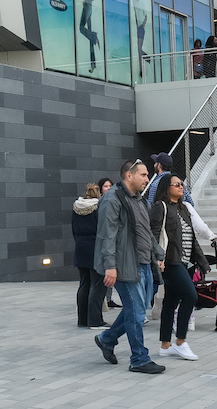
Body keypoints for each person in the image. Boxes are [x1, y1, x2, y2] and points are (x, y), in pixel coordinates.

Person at [93, 159, 165, 374]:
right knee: (135, 312)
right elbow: (107, 234)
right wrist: (110, 266)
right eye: (143, 175)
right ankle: (139, 359)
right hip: (124, 264)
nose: (147, 179)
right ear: (129, 176)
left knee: (137, 309)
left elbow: (145, 232)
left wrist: (158, 254)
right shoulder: (112, 199)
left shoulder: (140, 201)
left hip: (143, 263)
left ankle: (107, 339)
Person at [150, 175, 208, 362]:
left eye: (182, 184)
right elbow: (153, 235)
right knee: (191, 296)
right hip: (170, 262)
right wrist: (158, 258)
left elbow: (192, 239)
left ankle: (165, 345)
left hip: (182, 262)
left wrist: (202, 262)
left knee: (170, 302)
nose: (181, 187)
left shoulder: (183, 208)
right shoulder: (161, 207)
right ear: (167, 188)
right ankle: (181, 342)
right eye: (177, 184)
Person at [72, 183, 105, 329]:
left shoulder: (76, 207)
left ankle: (82, 319)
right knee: (97, 285)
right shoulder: (99, 208)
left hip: (80, 248)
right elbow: (102, 230)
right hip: (95, 249)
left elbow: (73, 229)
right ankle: (95, 320)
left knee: (84, 284)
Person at [96, 177, 119, 309]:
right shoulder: (101, 204)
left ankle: (109, 299)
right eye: (105, 186)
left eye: (110, 186)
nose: (108, 188)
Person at [78, 0, 101, 73]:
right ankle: (93, 64)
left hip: (87, 4)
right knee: (90, 36)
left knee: (81, 28)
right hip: (88, 4)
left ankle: (95, 36)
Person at [133, 0, 148, 77]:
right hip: (136, 27)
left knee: (139, 48)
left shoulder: (141, 1)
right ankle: (147, 58)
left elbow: (146, 15)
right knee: (138, 49)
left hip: (141, 28)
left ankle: (141, 70)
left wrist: (142, 24)